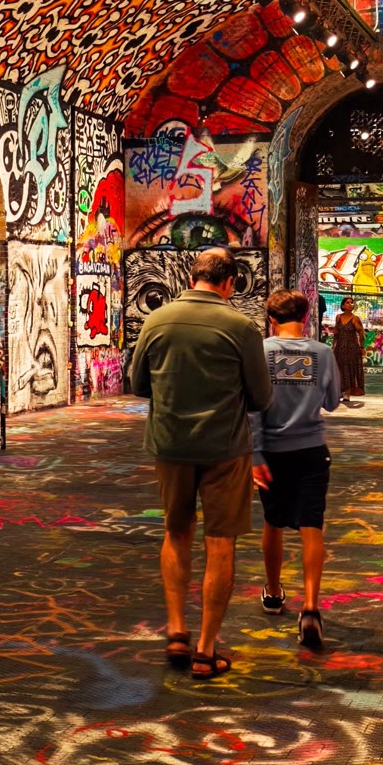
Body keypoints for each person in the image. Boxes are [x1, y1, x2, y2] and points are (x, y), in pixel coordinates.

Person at [129, 247, 272, 680]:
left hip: (170, 444)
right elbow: (261, 397)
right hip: (225, 449)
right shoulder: (241, 327)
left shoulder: (157, 320)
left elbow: (138, 385)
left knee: (176, 533)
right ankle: (206, 651)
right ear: (229, 283)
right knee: (220, 542)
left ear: (192, 277)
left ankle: (176, 629)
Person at [251, 290, 341, 653]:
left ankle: (274, 592)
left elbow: (252, 407)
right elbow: (332, 402)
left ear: (271, 319)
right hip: (311, 450)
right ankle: (311, 609)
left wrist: (255, 453)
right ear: (306, 317)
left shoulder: (260, 352)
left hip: (271, 452)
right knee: (311, 526)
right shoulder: (323, 353)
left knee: (273, 522)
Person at [332, 295, 366, 404]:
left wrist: (362, 347)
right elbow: (336, 333)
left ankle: (347, 392)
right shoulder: (338, 317)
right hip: (340, 347)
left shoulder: (355, 318)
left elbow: (361, 333)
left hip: (352, 347)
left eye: (351, 302)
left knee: (349, 369)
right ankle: (339, 391)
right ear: (342, 305)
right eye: (347, 302)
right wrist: (333, 346)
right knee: (339, 368)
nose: (350, 304)